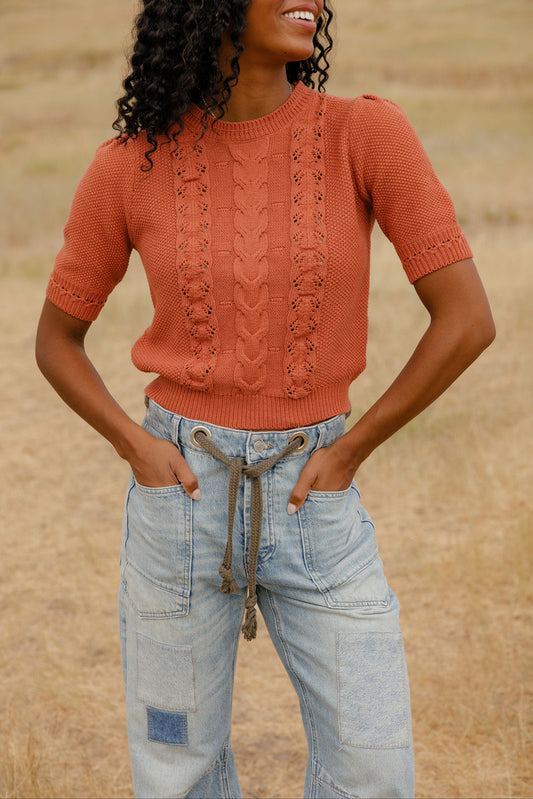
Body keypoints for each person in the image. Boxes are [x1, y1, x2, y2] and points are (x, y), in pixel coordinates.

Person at [35, 0, 495, 796]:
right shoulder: (130, 164)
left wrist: (351, 448)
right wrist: (134, 445)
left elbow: (467, 320)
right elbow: (55, 340)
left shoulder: (364, 134)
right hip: (179, 497)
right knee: (178, 767)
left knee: (374, 763)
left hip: (314, 492)